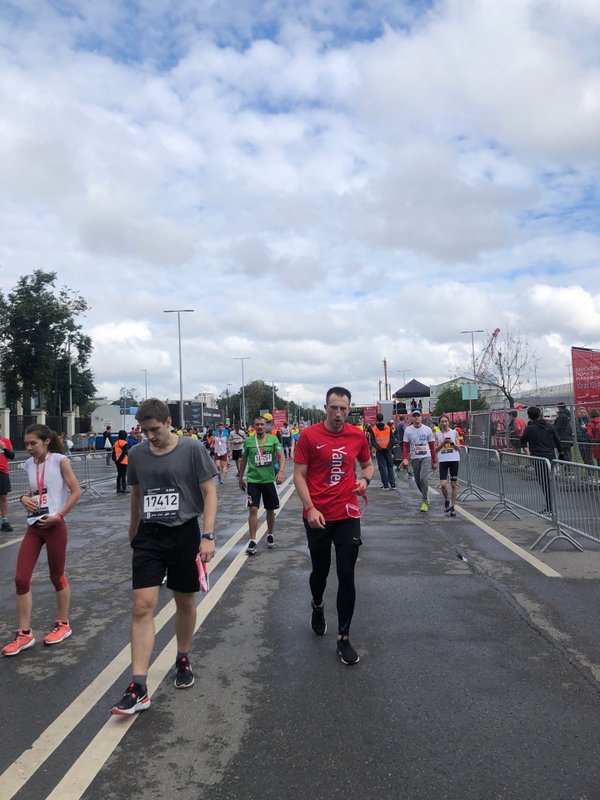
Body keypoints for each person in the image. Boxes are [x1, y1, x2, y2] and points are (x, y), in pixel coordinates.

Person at [111, 398, 217, 716]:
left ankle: (182, 656)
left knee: (184, 601)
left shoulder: (192, 448)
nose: (149, 436)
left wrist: (207, 535)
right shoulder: (137, 454)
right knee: (142, 605)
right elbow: (136, 494)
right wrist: (133, 530)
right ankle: (138, 686)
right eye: (144, 431)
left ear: (168, 422)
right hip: (149, 535)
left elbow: (210, 491)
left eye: (154, 429)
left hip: (184, 533)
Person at [293, 387, 373, 666]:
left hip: (347, 513)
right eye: (334, 408)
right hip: (317, 515)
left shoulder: (357, 435)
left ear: (349, 410)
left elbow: (368, 465)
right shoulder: (308, 436)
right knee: (320, 570)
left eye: (343, 409)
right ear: (325, 408)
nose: (338, 413)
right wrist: (310, 508)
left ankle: (343, 638)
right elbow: (299, 475)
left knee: (347, 574)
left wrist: (364, 481)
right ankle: (317, 604)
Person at [2, 424, 81, 656]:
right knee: (21, 578)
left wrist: (59, 516)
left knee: (56, 576)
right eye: (26, 443)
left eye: (33, 443)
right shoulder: (29, 464)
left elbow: (76, 491)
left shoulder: (60, 461)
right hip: (34, 526)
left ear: (46, 441)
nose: (28, 447)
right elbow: (35, 490)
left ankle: (63, 624)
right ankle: (25, 634)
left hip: (55, 526)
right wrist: (23, 498)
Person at [238, 416, 285, 554]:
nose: (259, 427)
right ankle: (253, 540)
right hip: (253, 481)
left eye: (262, 424)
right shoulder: (248, 441)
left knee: (270, 509)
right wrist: (240, 478)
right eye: (257, 424)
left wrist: (281, 471)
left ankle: (270, 534)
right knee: (253, 509)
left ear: (266, 426)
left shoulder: (273, 439)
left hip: (269, 480)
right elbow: (243, 460)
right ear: (253, 426)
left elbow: (281, 456)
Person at [520, 406, 563, 513]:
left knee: (544, 482)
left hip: (538, 457)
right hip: (550, 456)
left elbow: (523, 440)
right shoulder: (549, 426)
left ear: (529, 416)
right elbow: (557, 440)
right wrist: (561, 452)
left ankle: (549, 507)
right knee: (548, 481)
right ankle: (549, 505)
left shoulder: (530, 428)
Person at [402, 410, 436, 511]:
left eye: (418, 416)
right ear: (412, 418)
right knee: (417, 480)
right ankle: (426, 494)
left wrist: (434, 461)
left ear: (421, 418)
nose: (416, 418)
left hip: (426, 456)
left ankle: (424, 502)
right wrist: (405, 458)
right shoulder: (408, 430)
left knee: (422, 478)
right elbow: (405, 445)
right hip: (415, 458)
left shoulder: (427, 430)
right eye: (414, 416)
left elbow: (432, 446)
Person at [435, 415, 460, 516]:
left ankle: (452, 506)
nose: (444, 423)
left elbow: (459, 448)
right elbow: (435, 450)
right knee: (443, 484)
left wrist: (452, 443)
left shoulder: (454, 432)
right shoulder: (437, 434)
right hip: (443, 461)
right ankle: (446, 500)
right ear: (440, 423)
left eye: (446, 421)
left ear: (448, 422)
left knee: (453, 484)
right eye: (442, 422)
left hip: (454, 460)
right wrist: (442, 444)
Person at [368, 413, 396, 489]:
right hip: (388, 450)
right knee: (390, 466)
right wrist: (388, 447)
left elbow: (373, 441)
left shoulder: (374, 429)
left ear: (376, 419)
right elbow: (392, 439)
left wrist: (380, 448)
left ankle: (386, 485)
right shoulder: (388, 428)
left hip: (379, 451)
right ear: (383, 419)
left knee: (382, 468)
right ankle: (393, 484)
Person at [0, 424, 15, 531]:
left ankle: (5, 521)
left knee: (3, 497)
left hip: (2, 472)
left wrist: (4, 448)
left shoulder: (5, 441)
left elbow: (12, 456)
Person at [112, 429, 129, 494]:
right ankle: (124, 488)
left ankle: (118, 488)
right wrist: (120, 460)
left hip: (117, 461)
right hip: (123, 461)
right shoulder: (124, 443)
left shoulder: (116, 442)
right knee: (123, 475)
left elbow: (113, 452)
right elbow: (124, 453)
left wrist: (115, 460)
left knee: (119, 475)